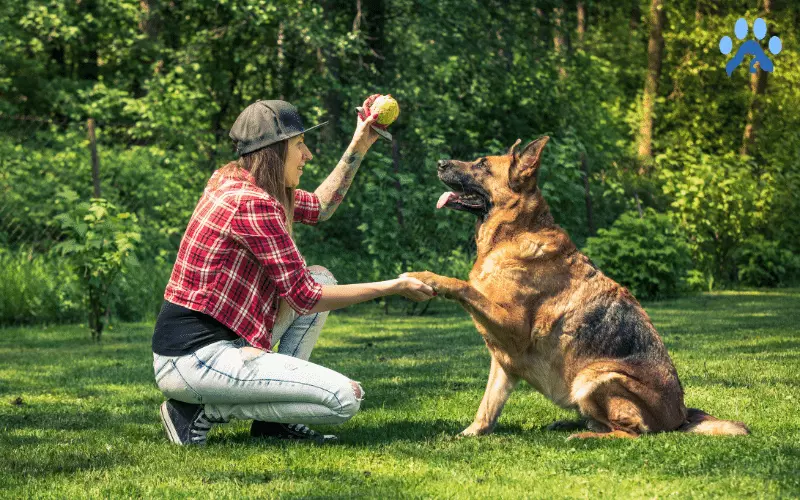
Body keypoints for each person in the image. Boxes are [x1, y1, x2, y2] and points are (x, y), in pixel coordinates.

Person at [152, 99, 435, 445]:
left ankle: (274, 425)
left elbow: (320, 207)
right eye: (299, 145)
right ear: (273, 151)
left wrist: (362, 139)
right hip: (194, 358)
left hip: (215, 344)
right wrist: (392, 286)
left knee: (321, 276)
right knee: (345, 399)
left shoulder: (240, 183)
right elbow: (305, 297)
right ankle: (198, 412)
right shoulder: (252, 203)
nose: (308, 154)